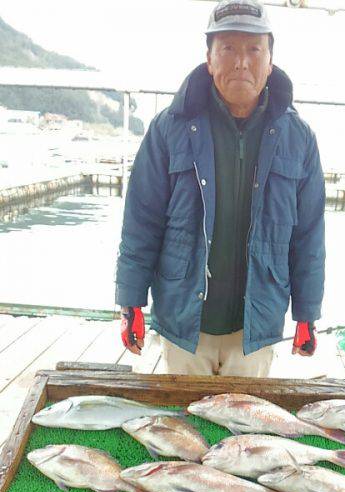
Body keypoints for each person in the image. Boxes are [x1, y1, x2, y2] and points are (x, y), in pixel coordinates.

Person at [119, 0, 325, 377]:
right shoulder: (168, 128)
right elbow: (141, 222)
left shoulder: (300, 138)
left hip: (255, 326)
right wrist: (130, 301)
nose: (241, 62)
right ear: (209, 59)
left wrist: (307, 313)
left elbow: (309, 235)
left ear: (270, 59)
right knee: (184, 426)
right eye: (228, 48)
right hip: (184, 324)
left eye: (253, 49)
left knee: (246, 433)